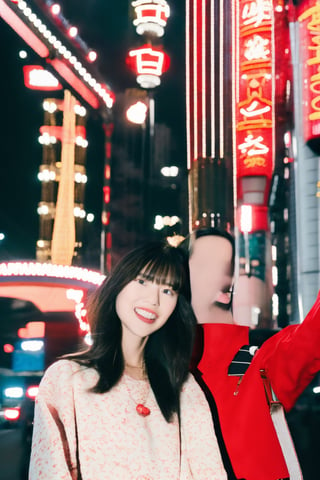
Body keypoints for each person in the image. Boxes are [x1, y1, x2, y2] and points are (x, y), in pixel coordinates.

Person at [29, 240, 227, 480]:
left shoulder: (184, 388)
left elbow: (209, 472)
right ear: (118, 286)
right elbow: (50, 471)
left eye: (168, 290)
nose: (153, 300)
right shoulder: (66, 379)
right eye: (143, 281)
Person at [185, 227, 320, 480]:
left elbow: (311, 337)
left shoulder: (251, 360)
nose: (223, 277)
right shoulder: (157, 367)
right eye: (206, 265)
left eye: (228, 265)